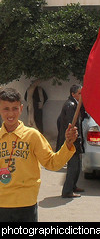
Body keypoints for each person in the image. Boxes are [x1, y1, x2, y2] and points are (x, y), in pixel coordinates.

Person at [0, 88, 77, 222]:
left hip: (26, 204)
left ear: (21, 108)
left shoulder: (32, 136)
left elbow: (52, 163)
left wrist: (68, 144)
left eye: (14, 108)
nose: (10, 113)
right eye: (6, 109)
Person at [56, 84, 84, 198]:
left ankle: (73, 186)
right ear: (73, 94)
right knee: (73, 166)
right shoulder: (70, 105)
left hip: (74, 141)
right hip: (71, 141)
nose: (81, 96)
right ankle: (67, 191)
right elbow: (71, 124)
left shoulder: (74, 104)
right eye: (79, 93)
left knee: (77, 165)